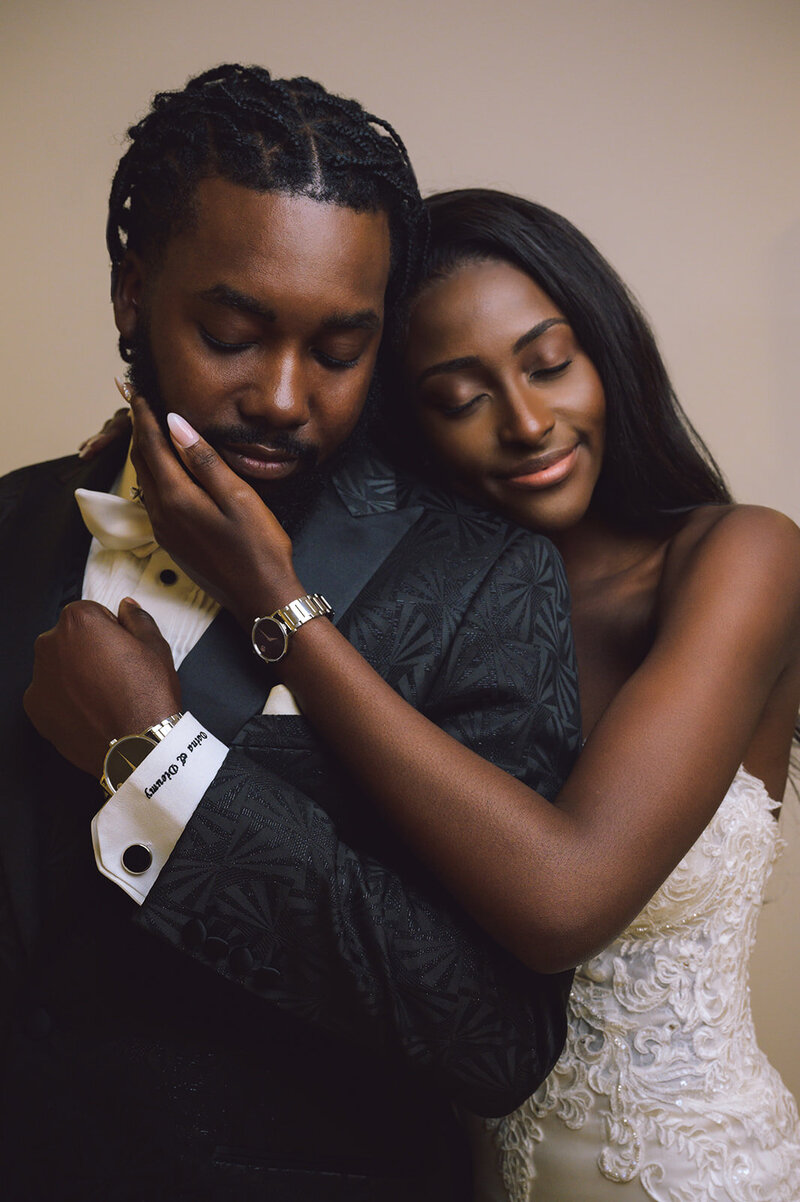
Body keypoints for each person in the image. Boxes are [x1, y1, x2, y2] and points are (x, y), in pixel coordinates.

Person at [88, 188, 800, 1201]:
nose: (525, 420)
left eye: (550, 361)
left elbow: (561, 902)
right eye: (458, 397)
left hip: (684, 1176)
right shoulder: (408, 609)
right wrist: (145, 468)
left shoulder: (738, 557)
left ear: (608, 350)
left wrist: (275, 601)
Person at [3, 74, 582, 1200]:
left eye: (338, 349)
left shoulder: (480, 579)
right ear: (132, 295)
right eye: (231, 331)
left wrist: (161, 763)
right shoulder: (10, 523)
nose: (279, 394)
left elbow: (495, 1037)